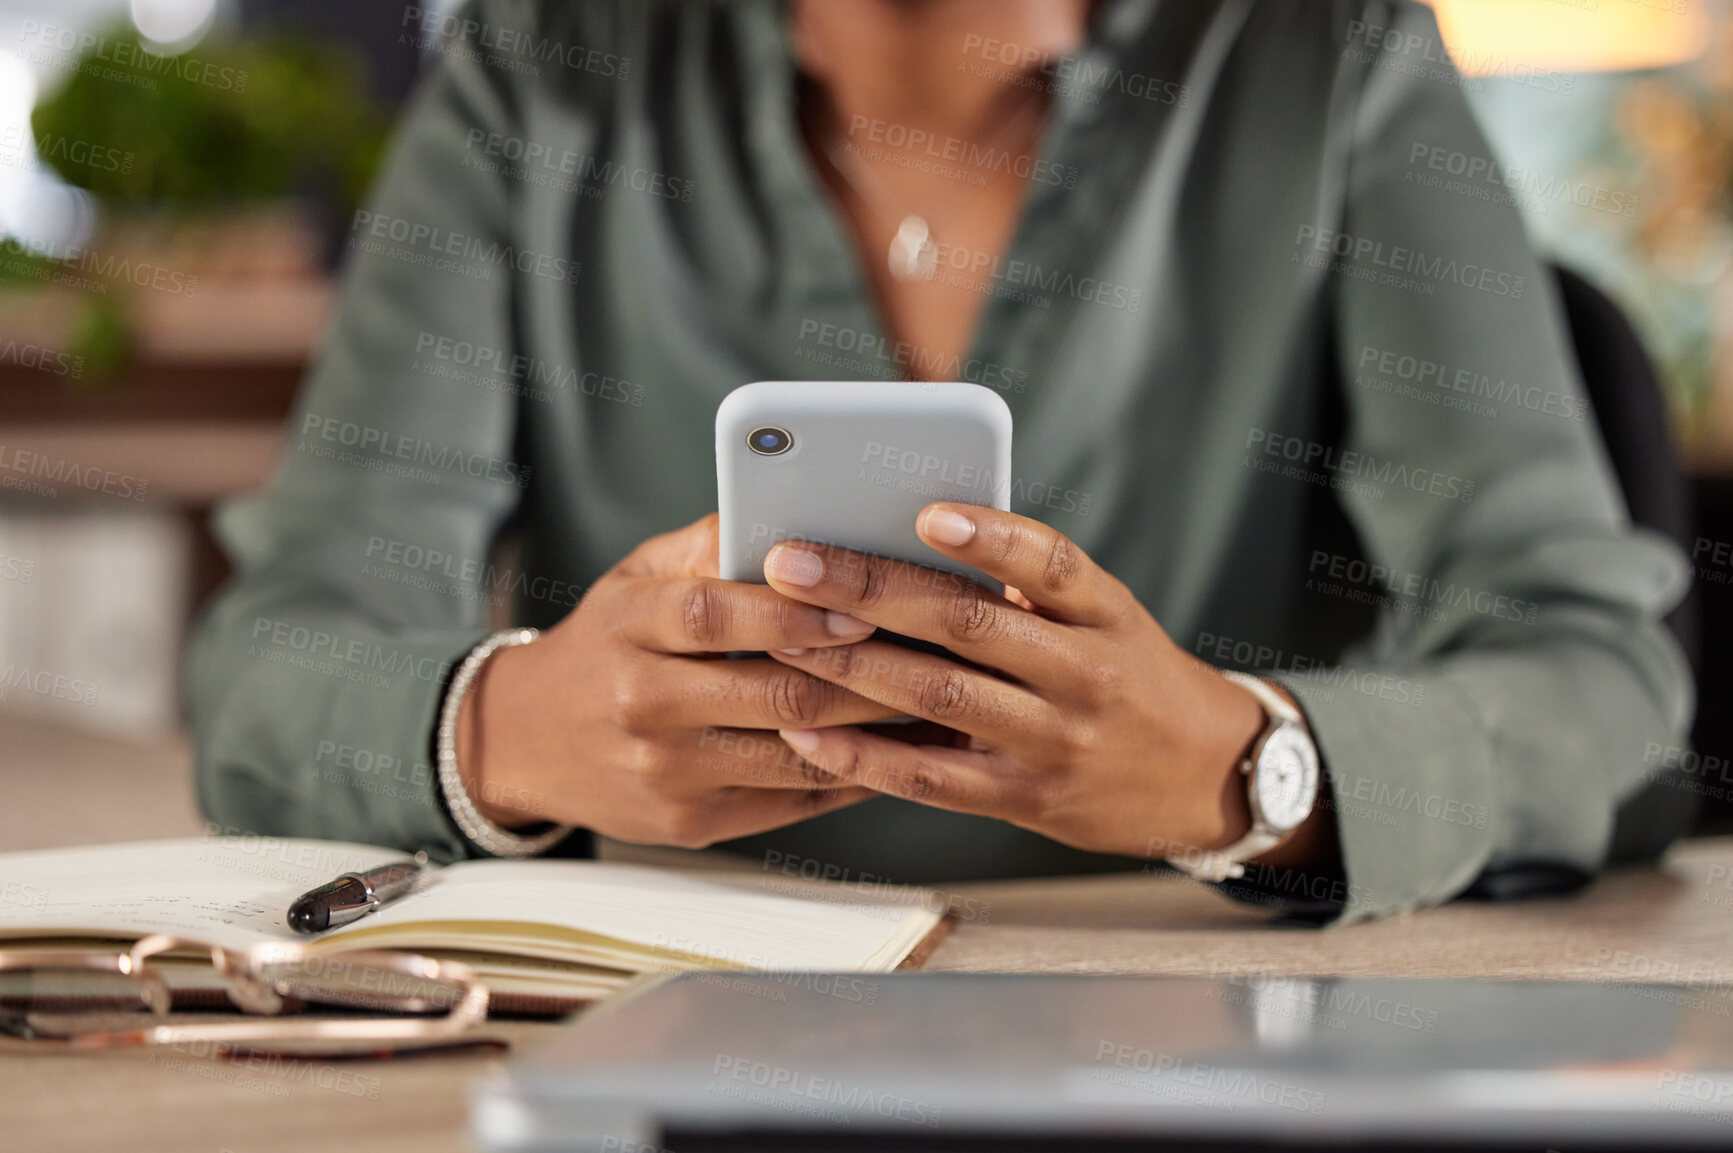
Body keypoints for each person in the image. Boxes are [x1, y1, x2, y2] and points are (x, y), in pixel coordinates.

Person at [188, 0, 1694, 924]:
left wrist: (1244, 768)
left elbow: (1596, 680)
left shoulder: (1325, 50)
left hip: (1194, 1013)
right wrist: (506, 727)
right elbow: (270, 664)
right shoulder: (538, 64)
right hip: (666, 1006)